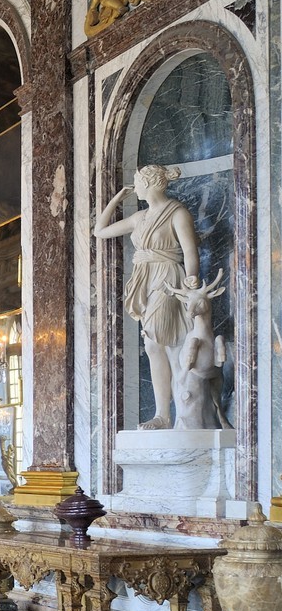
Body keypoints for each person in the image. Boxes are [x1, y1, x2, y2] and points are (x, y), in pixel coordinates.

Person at [94, 164, 199, 429]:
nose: (136, 188)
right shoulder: (139, 217)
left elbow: (190, 251)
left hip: (168, 279)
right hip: (145, 280)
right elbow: (100, 231)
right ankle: (165, 414)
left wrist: (191, 281)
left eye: (138, 182)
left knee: (162, 344)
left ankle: (174, 413)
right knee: (156, 346)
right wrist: (117, 199)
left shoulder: (177, 213)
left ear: (149, 183)